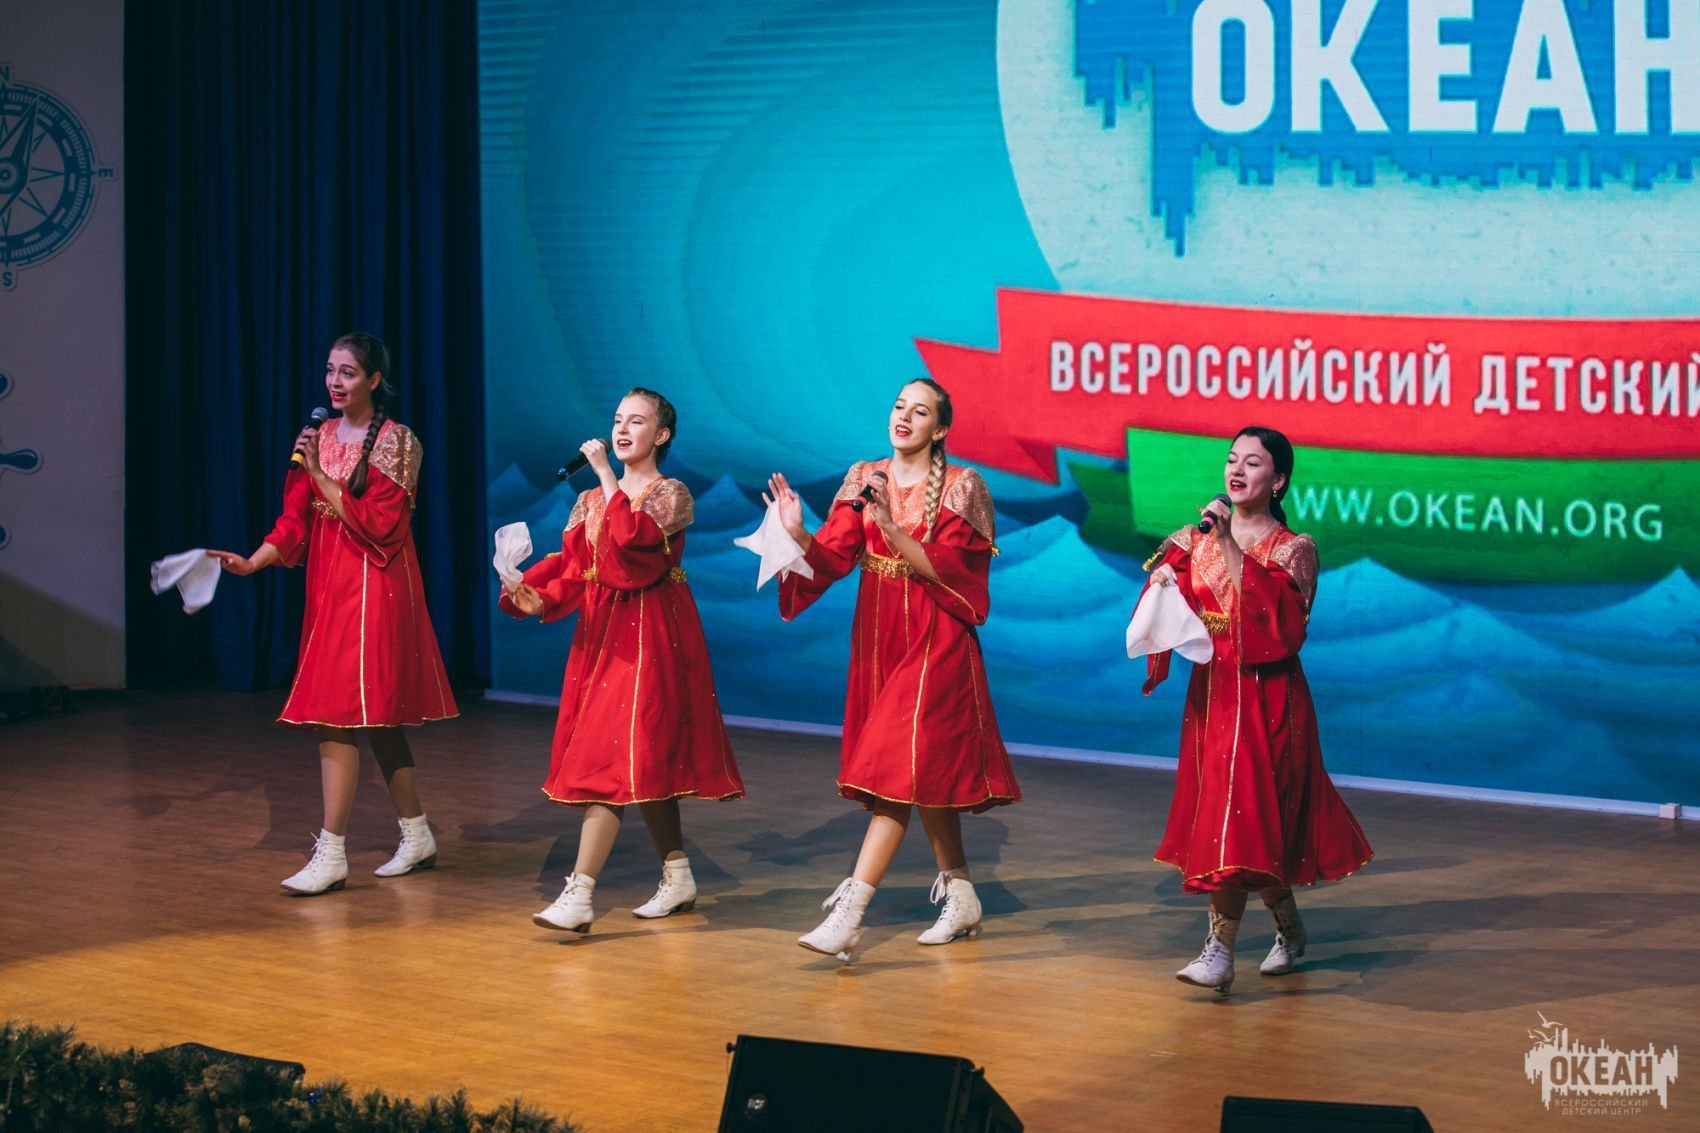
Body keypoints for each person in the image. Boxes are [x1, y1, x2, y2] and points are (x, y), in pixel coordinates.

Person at [765, 378, 1020, 963]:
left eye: (920, 411)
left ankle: (850, 913)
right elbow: (832, 558)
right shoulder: (864, 476)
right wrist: (796, 530)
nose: (904, 416)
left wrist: (892, 526)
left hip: (936, 638)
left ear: (941, 428)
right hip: (880, 639)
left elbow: (952, 572)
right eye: (900, 406)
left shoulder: (962, 486)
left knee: (894, 772)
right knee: (917, 771)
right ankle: (961, 894)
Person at [210, 332, 457, 895]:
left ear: (374, 380)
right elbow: (294, 519)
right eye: (330, 370)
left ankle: (332, 851)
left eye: (347, 372)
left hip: (375, 584)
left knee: (340, 714)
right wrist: (254, 561)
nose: (334, 382)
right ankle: (417, 833)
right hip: (330, 585)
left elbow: (383, 526)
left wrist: (322, 475)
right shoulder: (317, 437)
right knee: (371, 720)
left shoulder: (397, 442)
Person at [500, 388, 743, 933]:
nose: (622, 430)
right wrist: (538, 597)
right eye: (617, 420)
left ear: (661, 435)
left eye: (637, 422)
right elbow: (575, 569)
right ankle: (678, 875)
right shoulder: (589, 499)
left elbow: (632, 542)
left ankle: (580, 892)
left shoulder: (670, 494)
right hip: (602, 635)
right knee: (638, 759)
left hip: (651, 634)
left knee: (612, 758)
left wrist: (607, 476)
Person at [1140, 425, 1373, 993]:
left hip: (1268, 699)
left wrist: (1226, 545)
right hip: (1213, 694)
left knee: (1242, 817)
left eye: (1252, 463)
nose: (1237, 471)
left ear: (1279, 480)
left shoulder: (1294, 549)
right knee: (1238, 820)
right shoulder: (1191, 538)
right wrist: (1164, 585)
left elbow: (1281, 631)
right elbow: (1168, 604)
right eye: (1231, 460)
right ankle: (1289, 929)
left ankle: (1219, 952)